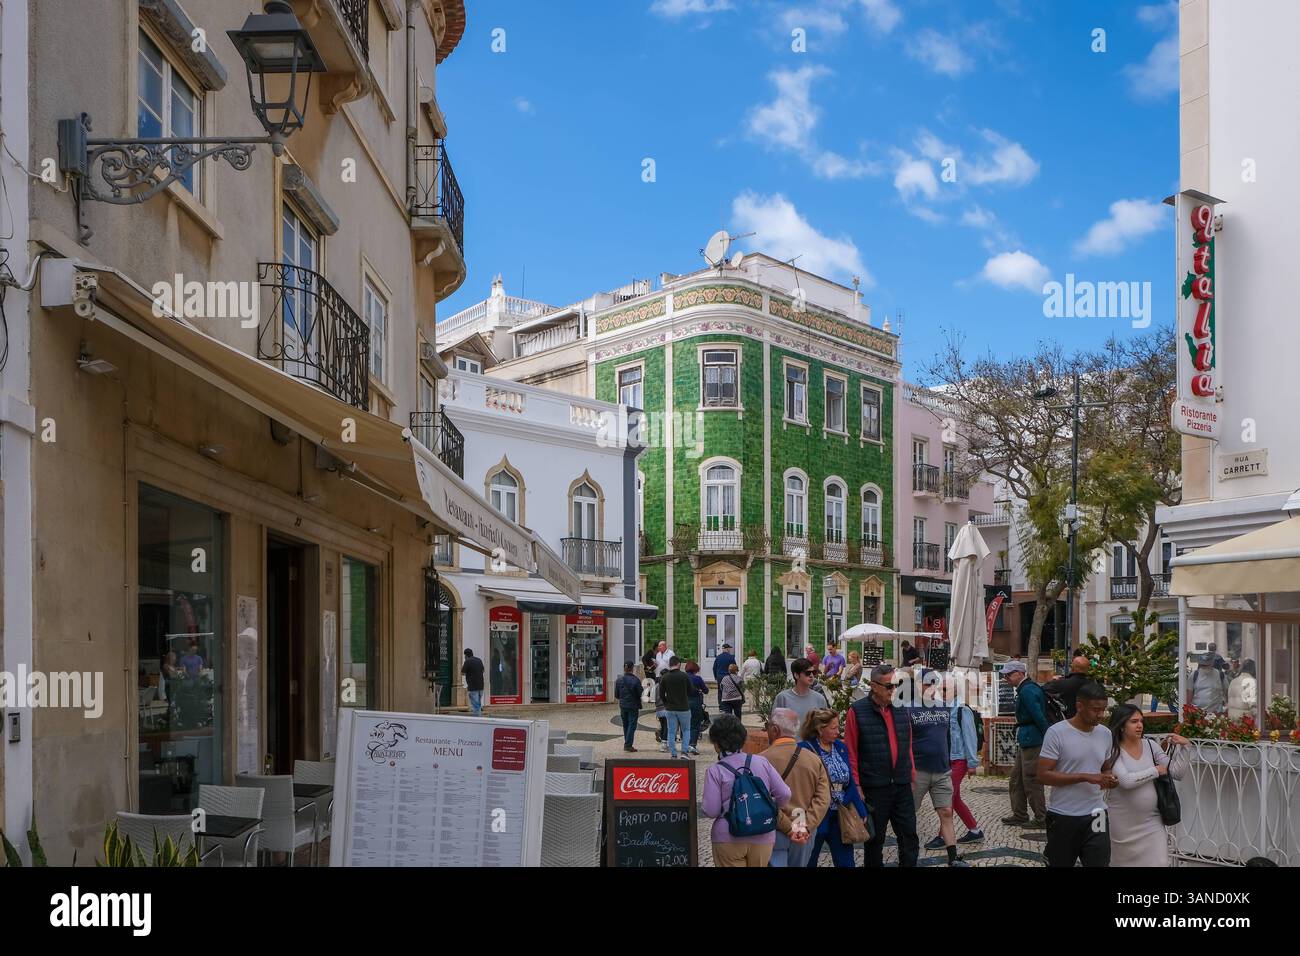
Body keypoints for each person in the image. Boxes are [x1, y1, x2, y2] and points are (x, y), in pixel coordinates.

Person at [846, 663, 920, 867]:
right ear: (873, 686)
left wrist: (911, 774)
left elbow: (908, 744)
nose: (893, 690)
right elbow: (850, 751)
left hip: (902, 784)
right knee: (875, 840)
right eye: (889, 686)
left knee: (909, 835)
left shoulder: (901, 709)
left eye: (896, 685)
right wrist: (857, 785)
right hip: (874, 786)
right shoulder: (857, 711)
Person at [1038, 681, 1118, 867]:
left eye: (1104, 709)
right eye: (1096, 709)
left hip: (1097, 813)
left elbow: (1105, 767)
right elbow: (1043, 775)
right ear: (1079, 706)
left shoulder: (1105, 734)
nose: (1101, 714)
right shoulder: (1057, 733)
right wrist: (1087, 777)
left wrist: (1109, 778)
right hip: (1063, 815)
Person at [1103, 704, 1191, 866]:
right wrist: (1156, 771)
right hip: (1123, 824)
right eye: (1134, 721)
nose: (1140, 725)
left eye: (1141, 721)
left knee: (1160, 862)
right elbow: (1126, 781)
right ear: (1122, 725)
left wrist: (1185, 747)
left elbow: (1176, 772)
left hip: (1152, 821)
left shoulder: (1151, 745)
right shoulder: (1113, 750)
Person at [701, 715, 791, 867]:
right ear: (743, 739)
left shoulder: (715, 771)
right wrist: (772, 806)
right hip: (763, 833)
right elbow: (785, 794)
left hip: (728, 836)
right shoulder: (762, 762)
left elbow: (711, 810)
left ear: (716, 744)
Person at [910, 670, 969, 866]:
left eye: (933, 683)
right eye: (926, 683)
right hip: (918, 771)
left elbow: (948, 738)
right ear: (918, 685)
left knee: (946, 812)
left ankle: (953, 858)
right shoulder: (908, 709)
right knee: (909, 813)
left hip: (942, 771)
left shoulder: (945, 708)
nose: (930, 687)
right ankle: (908, 853)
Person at [799, 708, 870, 867]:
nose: (838, 732)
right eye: (833, 728)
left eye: (839, 727)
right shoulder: (804, 748)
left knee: (846, 862)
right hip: (816, 816)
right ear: (820, 728)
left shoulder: (840, 747)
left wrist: (860, 808)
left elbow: (850, 780)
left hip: (841, 814)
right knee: (809, 860)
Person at [765, 708, 829, 867]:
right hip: (804, 832)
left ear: (775, 729)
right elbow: (823, 799)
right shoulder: (814, 759)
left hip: (774, 830)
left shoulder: (761, 760)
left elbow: (763, 800)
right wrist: (805, 826)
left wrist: (788, 828)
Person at [999, 660, 1048, 828]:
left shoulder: (1028, 691)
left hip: (1032, 740)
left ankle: (1041, 818)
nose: (1006, 678)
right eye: (1005, 675)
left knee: (1031, 780)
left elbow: (1039, 717)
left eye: (1009, 674)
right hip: (1026, 739)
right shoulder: (1026, 689)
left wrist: (1048, 739)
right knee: (1016, 779)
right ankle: (1020, 814)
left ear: (1020, 673)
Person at [946, 674, 985, 845]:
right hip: (948, 760)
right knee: (954, 799)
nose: (941, 692)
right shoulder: (944, 708)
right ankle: (975, 831)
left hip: (960, 759)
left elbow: (970, 737)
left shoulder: (962, 709)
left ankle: (942, 837)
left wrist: (972, 763)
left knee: (947, 798)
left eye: (946, 689)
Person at [773, 658, 831, 728]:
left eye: (814, 672)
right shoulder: (782, 698)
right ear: (796, 675)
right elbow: (774, 727)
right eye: (807, 673)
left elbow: (825, 726)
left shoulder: (820, 699)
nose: (811, 675)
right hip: (789, 739)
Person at [658, 657, 693, 759]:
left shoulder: (665, 677)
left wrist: (666, 703)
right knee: (686, 730)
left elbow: (661, 694)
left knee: (671, 731)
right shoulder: (684, 676)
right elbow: (691, 691)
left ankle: (673, 753)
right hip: (684, 708)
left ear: (670, 664)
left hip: (670, 708)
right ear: (679, 664)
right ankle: (684, 752)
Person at [1044, 654, 1092, 719]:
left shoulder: (1062, 683)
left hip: (1066, 720)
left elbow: (1042, 690)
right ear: (1087, 669)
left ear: (1072, 668)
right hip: (1087, 721)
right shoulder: (1093, 686)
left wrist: (1052, 681)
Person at [613, 661, 642, 752]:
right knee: (632, 725)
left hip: (623, 705)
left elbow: (617, 695)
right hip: (633, 706)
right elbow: (640, 693)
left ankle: (627, 743)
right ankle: (628, 744)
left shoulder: (619, 680)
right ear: (632, 668)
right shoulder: (636, 680)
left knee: (625, 724)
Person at [684, 660, 708, 755]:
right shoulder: (698, 679)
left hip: (683, 703)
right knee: (695, 724)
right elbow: (706, 690)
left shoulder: (683, 678)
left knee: (685, 725)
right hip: (695, 703)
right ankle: (692, 744)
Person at [712, 642, 736, 712]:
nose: (730, 650)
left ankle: (721, 707)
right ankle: (727, 707)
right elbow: (734, 667)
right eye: (729, 648)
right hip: (728, 676)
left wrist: (716, 677)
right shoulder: (731, 657)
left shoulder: (718, 657)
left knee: (720, 691)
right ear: (727, 649)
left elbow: (714, 668)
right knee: (728, 691)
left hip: (719, 676)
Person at [461, 648, 485, 716]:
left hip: (472, 686)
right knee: (478, 705)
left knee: (475, 706)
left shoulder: (467, 661)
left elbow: (462, 673)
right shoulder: (479, 660)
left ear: (465, 655)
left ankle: (478, 721)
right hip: (481, 686)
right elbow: (483, 670)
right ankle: (479, 719)